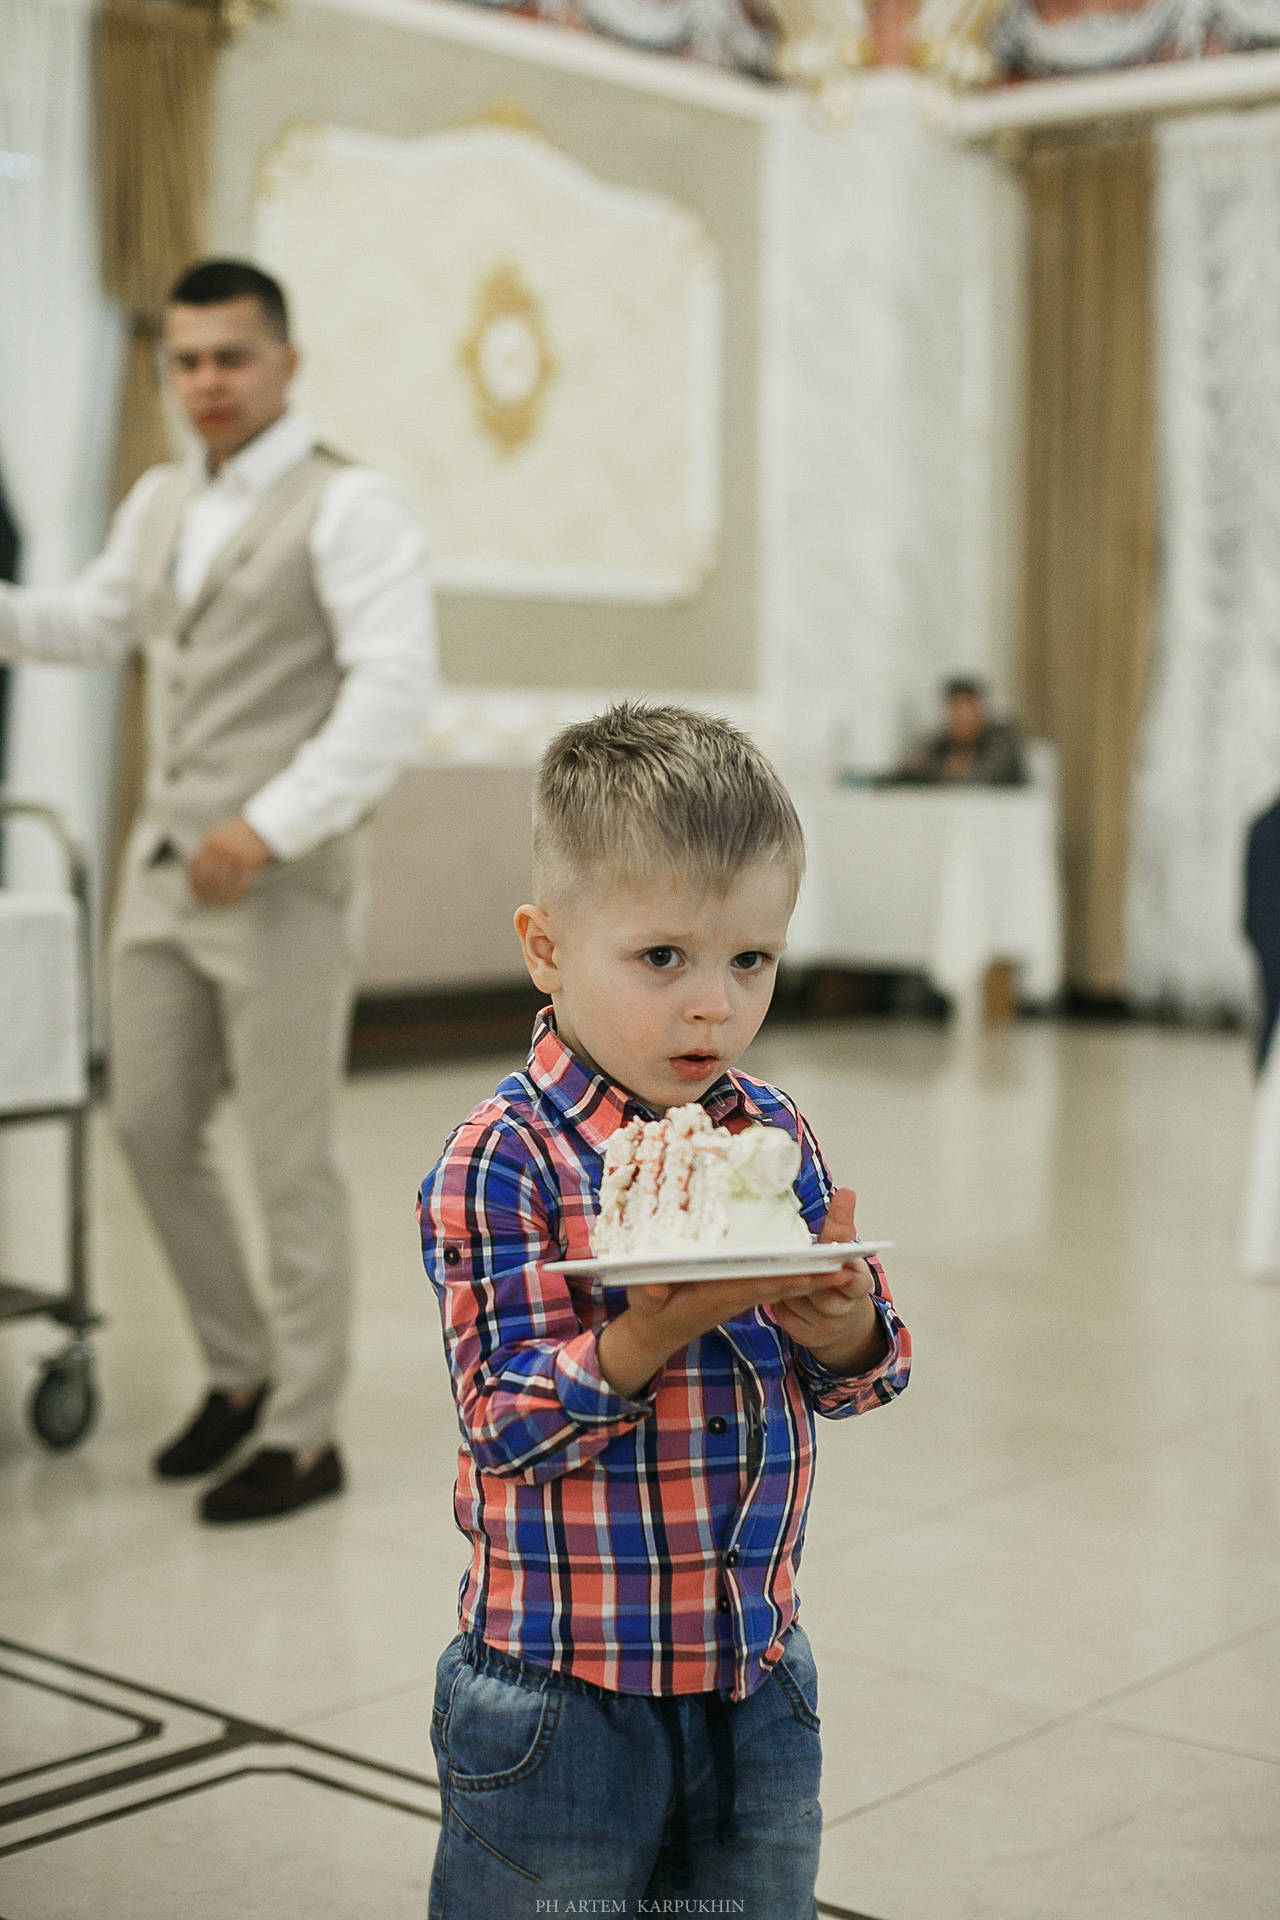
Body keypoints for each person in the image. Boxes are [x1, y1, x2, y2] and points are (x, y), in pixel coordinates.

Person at [418, 703, 911, 1916]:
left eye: (751, 961)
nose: (714, 1007)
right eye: (662, 960)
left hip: (753, 1676)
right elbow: (508, 1424)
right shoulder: (507, 1161)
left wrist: (835, 1313)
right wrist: (657, 1325)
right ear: (545, 947)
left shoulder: (768, 1129)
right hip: (560, 1694)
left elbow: (861, 1373)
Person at [0, 259, 436, 1521]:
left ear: (285, 362)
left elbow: (391, 691)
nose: (205, 381)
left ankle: (305, 1432)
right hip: (160, 872)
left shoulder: (352, 506)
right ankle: (240, 1373)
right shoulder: (158, 500)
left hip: (282, 882)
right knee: (144, 1124)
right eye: (184, 359)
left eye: (230, 357)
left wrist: (272, 820)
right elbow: (96, 620)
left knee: (287, 1158)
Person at [894, 675, 1025, 785]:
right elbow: (913, 767)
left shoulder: (1003, 739)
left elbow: (985, 776)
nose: (961, 717)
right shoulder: (941, 742)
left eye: (966, 710)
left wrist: (945, 769)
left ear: (981, 713)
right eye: (955, 710)